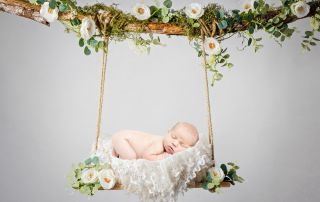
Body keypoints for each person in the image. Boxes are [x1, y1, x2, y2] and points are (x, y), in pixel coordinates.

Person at [111, 122, 199, 161]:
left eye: (182, 145)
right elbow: (146, 156)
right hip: (123, 139)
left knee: (129, 154)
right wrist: (163, 156)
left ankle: (117, 151)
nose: (175, 143)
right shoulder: (159, 144)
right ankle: (116, 160)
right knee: (131, 157)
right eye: (173, 137)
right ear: (168, 132)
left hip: (123, 138)